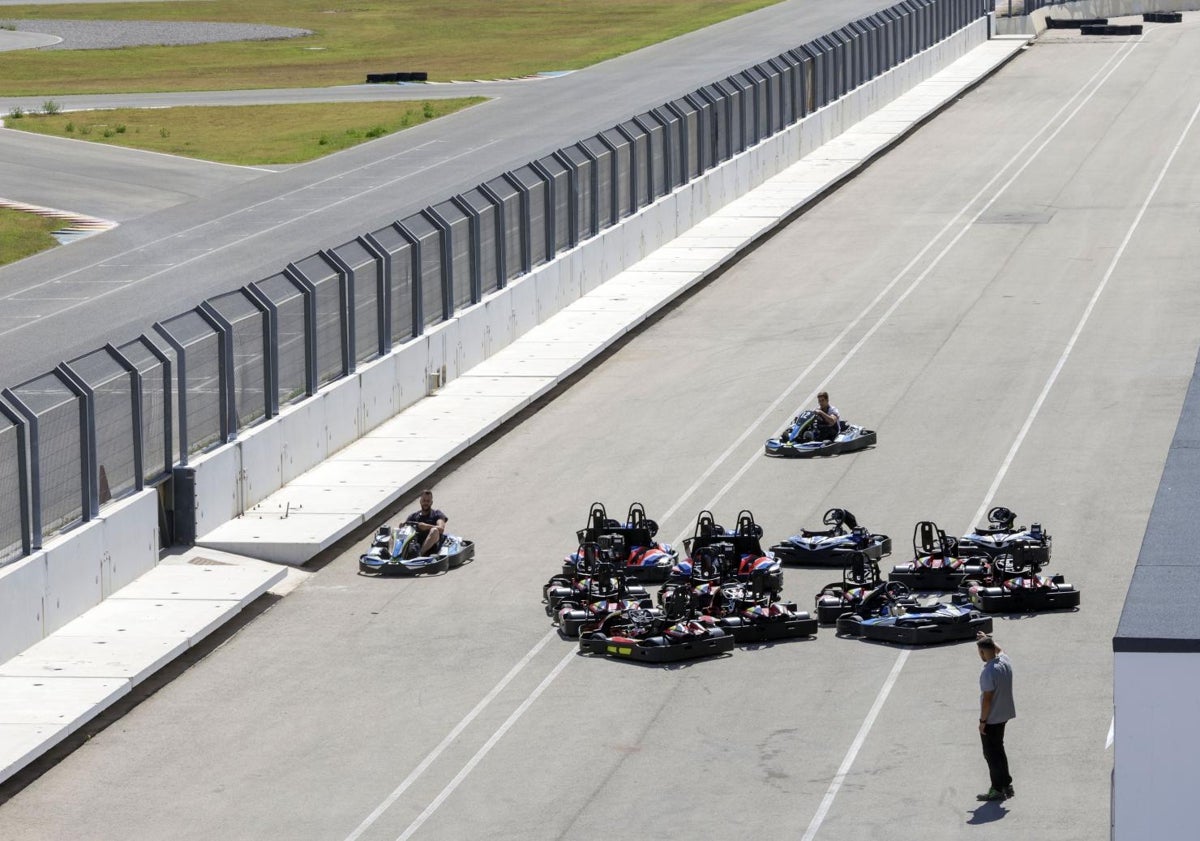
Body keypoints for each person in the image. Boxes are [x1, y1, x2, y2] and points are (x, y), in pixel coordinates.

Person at [975, 632, 1016, 802]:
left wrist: (982, 722)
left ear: (982, 652)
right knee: (999, 750)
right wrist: (987, 638)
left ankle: (997, 789)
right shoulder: (1004, 661)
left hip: (992, 718)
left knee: (991, 754)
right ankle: (1007, 785)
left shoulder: (988, 672)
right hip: (1005, 713)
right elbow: (1000, 650)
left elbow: (987, 700)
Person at [405, 489, 448, 557]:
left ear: (431, 502)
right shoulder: (413, 516)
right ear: (420, 501)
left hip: (432, 546)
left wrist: (426, 526)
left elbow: (441, 529)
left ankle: (420, 555)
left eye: (428, 501)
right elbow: (405, 529)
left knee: (434, 530)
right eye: (424, 501)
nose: (426, 503)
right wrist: (401, 527)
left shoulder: (437, 514)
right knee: (395, 531)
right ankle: (393, 555)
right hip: (415, 544)